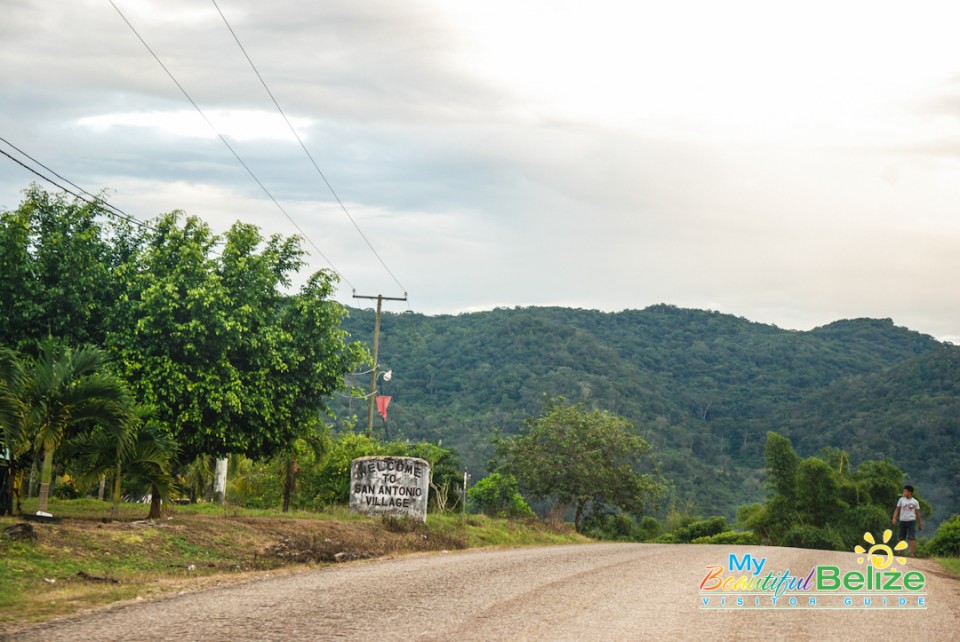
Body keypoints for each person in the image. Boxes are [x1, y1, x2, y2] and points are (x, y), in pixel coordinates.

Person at [891, 485, 923, 556]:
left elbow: (918, 513)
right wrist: (894, 518)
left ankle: (912, 553)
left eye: (905, 491)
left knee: (912, 537)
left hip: (911, 521)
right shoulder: (901, 500)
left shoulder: (915, 502)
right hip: (903, 520)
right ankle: (900, 552)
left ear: (909, 492)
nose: (903, 492)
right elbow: (897, 509)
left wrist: (920, 523)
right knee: (901, 537)